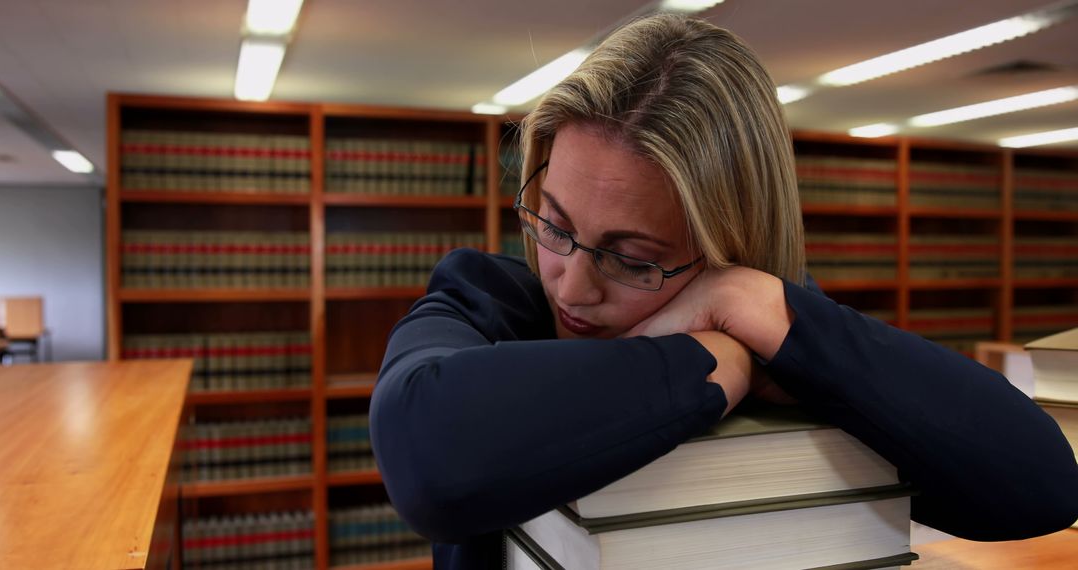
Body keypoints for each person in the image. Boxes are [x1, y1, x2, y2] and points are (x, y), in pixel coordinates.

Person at [370, 13, 1078, 569]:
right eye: (553, 225)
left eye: (633, 258)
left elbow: (1039, 487)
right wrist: (716, 362)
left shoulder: (784, 329)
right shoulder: (484, 295)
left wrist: (769, 315)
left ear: (726, 249)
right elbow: (430, 457)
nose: (572, 287)